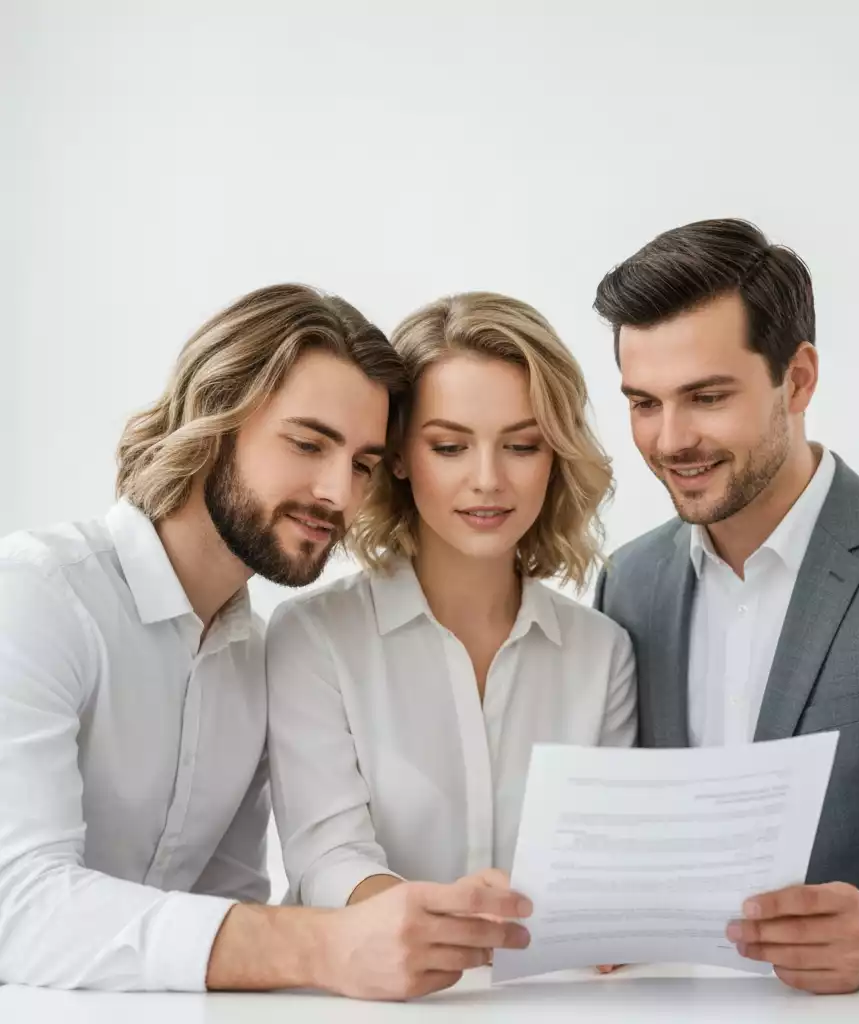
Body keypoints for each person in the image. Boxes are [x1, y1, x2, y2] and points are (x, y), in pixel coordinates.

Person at [0, 284, 531, 999]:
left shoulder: (254, 654)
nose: (338, 493)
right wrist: (326, 943)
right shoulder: (35, 595)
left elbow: (225, 908)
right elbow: (17, 908)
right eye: (308, 443)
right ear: (215, 416)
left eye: (363, 464)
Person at [591, 219, 859, 993]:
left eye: (707, 397)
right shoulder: (630, 582)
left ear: (798, 380)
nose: (670, 438)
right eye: (643, 403)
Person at [266, 291, 636, 912]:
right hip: (371, 1003)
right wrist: (443, 919)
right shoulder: (314, 636)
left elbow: (605, 866)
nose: (488, 479)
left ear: (556, 458)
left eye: (521, 445)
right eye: (449, 446)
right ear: (401, 456)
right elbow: (327, 860)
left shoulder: (602, 653)